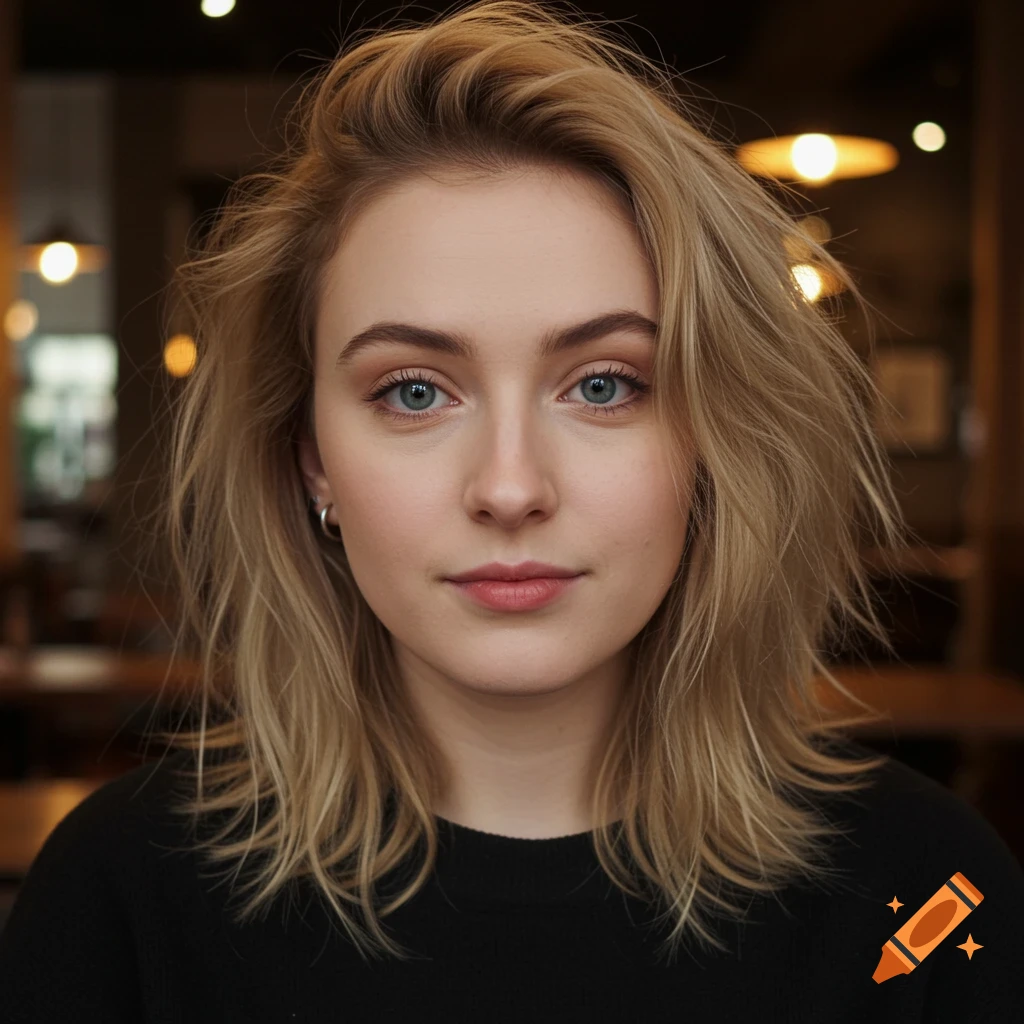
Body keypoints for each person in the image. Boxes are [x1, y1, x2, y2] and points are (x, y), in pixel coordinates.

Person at [2, 2, 1023, 1021]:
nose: (508, 486)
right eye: (412, 390)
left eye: (604, 384)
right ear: (311, 459)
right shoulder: (122, 901)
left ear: (709, 438)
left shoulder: (923, 899)